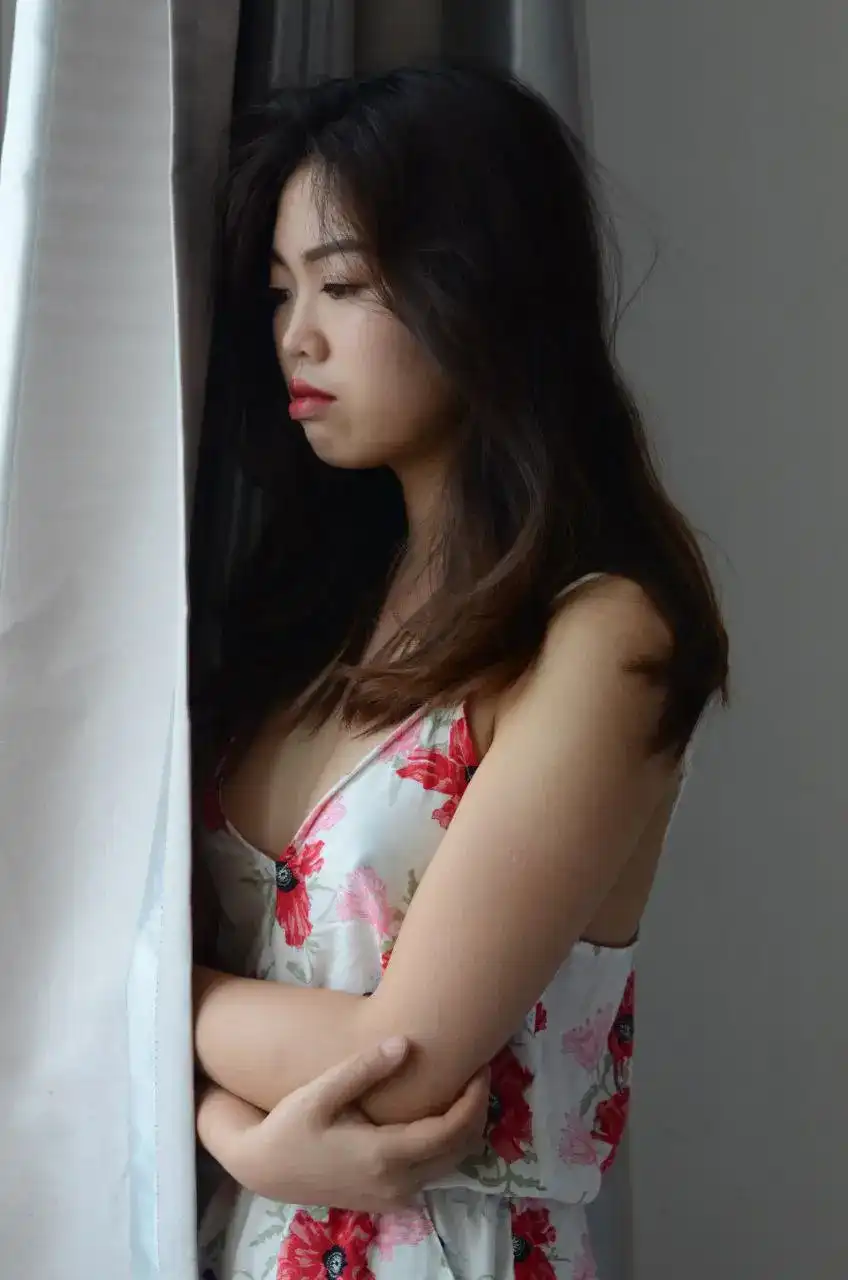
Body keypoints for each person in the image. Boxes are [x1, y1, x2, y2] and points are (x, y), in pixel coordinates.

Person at [191, 60, 728, 1280]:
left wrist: (147, 999)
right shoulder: (308, 614)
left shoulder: (605, 636)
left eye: (341, 284)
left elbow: (403, 1063)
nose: (295, 335)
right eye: (279, 291)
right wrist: (237, 1132)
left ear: (479, 286)